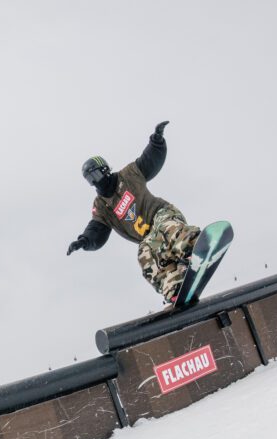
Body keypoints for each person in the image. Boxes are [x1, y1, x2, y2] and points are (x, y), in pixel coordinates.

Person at [67, 121, 201, 304]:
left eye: (96, 175)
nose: (96, 181)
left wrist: (157, 141)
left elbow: (149, 161)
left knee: (167, 228)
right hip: (149, 237)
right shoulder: (102, 206)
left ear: (106, 170)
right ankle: (173, 285)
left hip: (161, 214)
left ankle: (193, 244)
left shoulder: (128, 175)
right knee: (144, 255)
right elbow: (96, 230)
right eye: (91, 179)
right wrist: (83, 241)